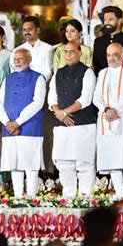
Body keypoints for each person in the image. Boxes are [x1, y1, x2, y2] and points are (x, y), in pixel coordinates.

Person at [93, 42, 123, 197]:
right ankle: (119, 194)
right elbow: (96, 97)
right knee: (111, 158)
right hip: (106, 120)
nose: (111, 58)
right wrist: (107, 110)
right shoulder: (103, 73)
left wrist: (116, 110)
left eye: (115, 54)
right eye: (108, 55)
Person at [48, 42, 97, 196]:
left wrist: (64, 112)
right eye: (66, 52)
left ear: (79, 53)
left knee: (84, 164)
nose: (68, 54)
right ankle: (68, 198)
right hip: (62, 127)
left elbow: (86, 98)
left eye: (72, 51)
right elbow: (52, 98)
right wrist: (59, 113)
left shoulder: (88, 72)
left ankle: (85, 197)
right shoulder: (58, 73)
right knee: (64, 164)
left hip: (83, 125)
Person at [0, 48, 46, 197]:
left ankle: (31, 197)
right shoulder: (8, 78)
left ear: (29, 60)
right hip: (9, 129)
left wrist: (17, 122)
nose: (17, 62)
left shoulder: (38, 78)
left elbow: (38, 103)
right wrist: (7, 122)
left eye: (21, 58)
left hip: (30, 128)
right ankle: (17, 196)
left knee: (31, 165)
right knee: (14, 165)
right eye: (15, 59)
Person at [93, 6, 123, 75]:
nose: (107, 22)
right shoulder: (98, 42)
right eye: (105, 19)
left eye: (110, 19)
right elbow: (96, 66)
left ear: (119, 21)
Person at [11, 16, 54, 81]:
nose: (26, 32)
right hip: (20, 86)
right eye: (24, 30)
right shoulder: (17, 50)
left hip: (41, 86)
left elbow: (48, 72)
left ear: (38, 30)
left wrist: (36, 83)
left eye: (30, 29)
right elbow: (13, 71)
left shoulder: (48, 49)